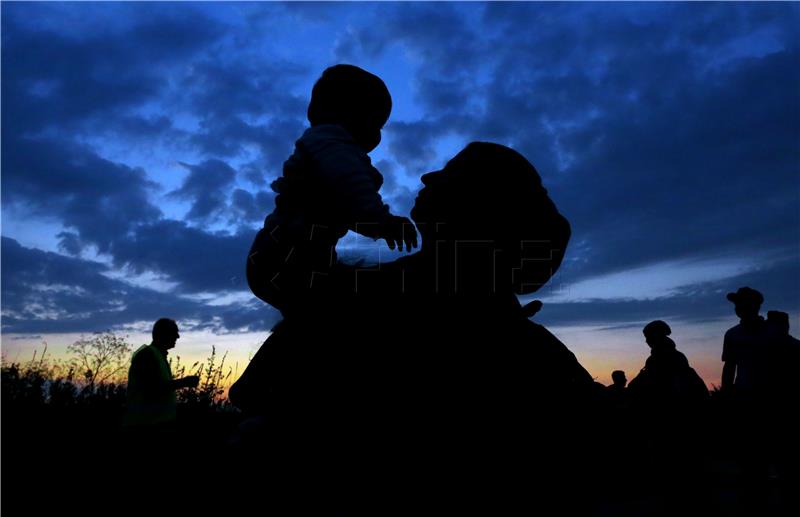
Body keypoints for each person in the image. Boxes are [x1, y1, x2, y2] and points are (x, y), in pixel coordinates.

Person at [230, 142, 597, 513]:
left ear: (481, 208)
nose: (427, 176)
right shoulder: (531, 349)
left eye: (451, 173)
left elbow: (252, 386)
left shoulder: (367, 300)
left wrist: (311, 217)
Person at [246, 64, 416, 316]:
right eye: (377, 122)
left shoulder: (328, 147)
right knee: (337, 305)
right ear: (352, 113)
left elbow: (348, 209)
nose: (378, 134)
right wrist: (383, 221)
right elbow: (350, 185)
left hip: (287, 254)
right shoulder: (331, 142)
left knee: (320, 307)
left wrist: (373, 225)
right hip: (287, 255)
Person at [124, 318, 199, 427]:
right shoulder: (147, 356)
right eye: (174, 333)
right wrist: (184, 382)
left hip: (156, 423)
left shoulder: (157, 355)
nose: (177, 337)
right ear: (163, 334)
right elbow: (152, 388)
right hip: (144, 425)